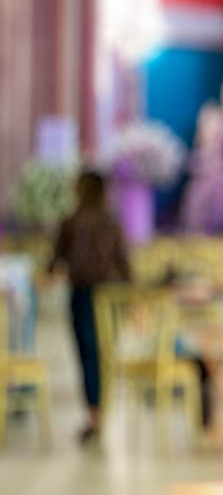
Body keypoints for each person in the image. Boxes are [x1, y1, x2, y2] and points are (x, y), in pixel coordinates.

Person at [45, 170, 132, 443]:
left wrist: (46, 276)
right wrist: (132, 299)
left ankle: (95, 414)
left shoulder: (71, 222)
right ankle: (101, 411)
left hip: (84, 294)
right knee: (104, 354)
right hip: (109, 295)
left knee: (87, 354)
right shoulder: (111, 222)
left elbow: (55, 262)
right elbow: (125, 265)